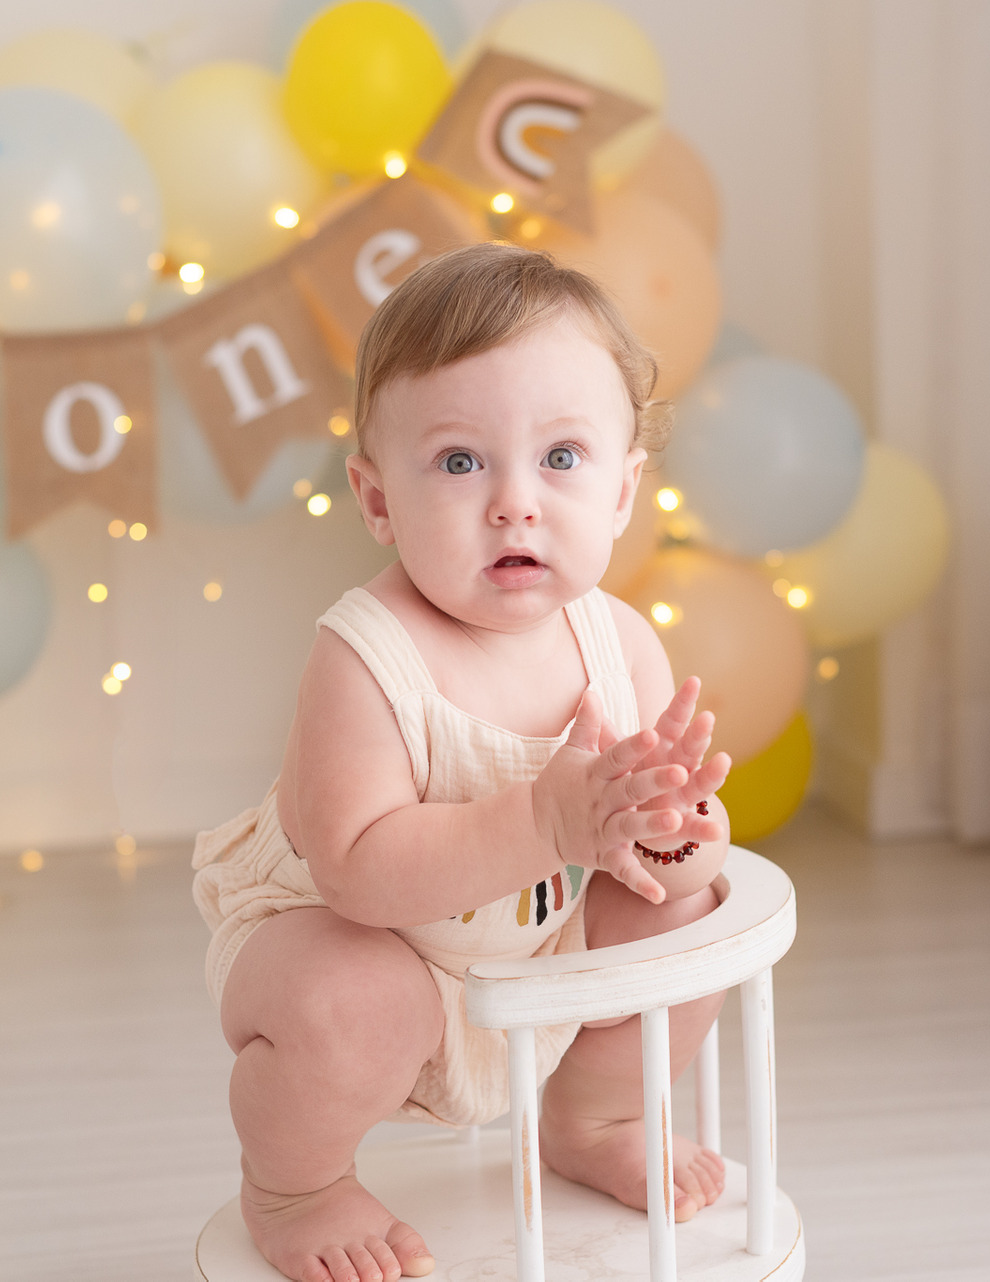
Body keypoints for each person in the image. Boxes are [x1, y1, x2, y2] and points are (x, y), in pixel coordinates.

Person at [193, 242, 733, 1282]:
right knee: (349, 995)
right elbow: (357, 872)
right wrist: (544, 822)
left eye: (561, 458)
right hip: (366, 941)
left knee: (680, 913)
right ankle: (298, 1183)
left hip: (538, 945)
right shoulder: (366, 655)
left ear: (624, 492)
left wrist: (674, 834)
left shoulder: (619, 645)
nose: (515, 503)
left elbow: (659, 856)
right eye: (458, 462)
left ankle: (598, 1116)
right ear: (377, 500)